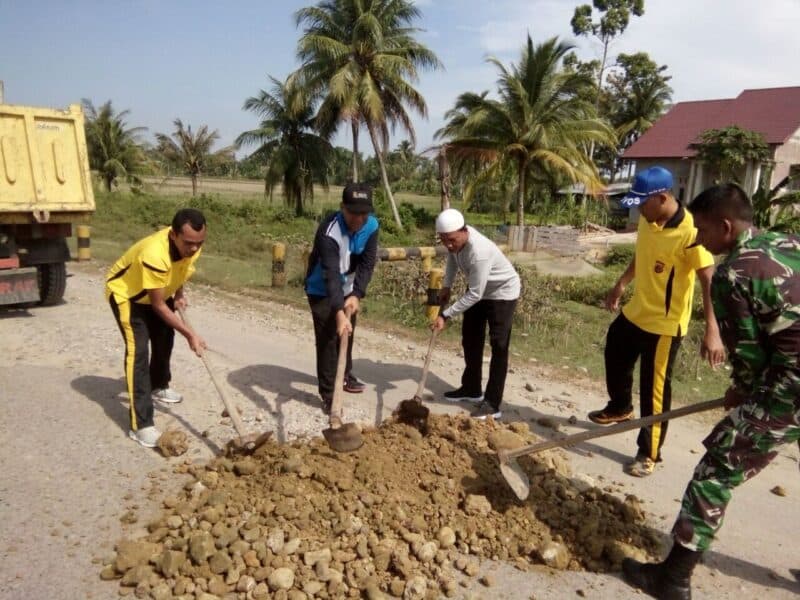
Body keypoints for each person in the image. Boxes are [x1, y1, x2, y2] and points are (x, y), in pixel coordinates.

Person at [622, 183, 800, 599]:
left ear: (725, 226)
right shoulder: (788, 242)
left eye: (701, 230)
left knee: (716, 471)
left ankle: (672, 580)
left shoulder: (733, 274)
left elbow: (750, 354)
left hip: (791, 387)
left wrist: (744, 389)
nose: (697, 239)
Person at [588, 166, 725, 477]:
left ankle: (648, 452)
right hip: (638, 311)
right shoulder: (649, 220)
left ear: (662, 198)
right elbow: (643, 253)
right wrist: (621, 284)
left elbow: (708, 279)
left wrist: (712, 330)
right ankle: (621, 407)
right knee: (615, 349)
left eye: (642, 203)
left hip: (665, 324)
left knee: (655, 390)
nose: (639, 210)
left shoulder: (691, 232)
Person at [106, 208, 207, 448]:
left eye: (199, 242)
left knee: (164, 337)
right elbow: (158, 305)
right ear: (173, 235)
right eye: (189, 243)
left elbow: (181, 268)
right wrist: (190, 334)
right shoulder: (155, 254)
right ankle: (140, 425)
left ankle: (159, 384)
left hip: (155, 293)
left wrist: (179, 293)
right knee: (138, 353)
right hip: (128, 296)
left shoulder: (192, 245)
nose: (194, 248)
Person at [432, 208, 521, 420]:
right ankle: (471, 388)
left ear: (464, 231)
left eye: (452, 240)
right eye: (444, 240)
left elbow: (474, 294)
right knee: (471, 339)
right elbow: (453, 258)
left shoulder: (479, 251)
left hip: (502, 293)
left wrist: (445, 315)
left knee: (499, 346)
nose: (449, 245)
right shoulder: (456, 242)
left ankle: (492, 403)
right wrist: (447, 285)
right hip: (480, 290)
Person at [305, 183, 379, 414]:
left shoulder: (372, 226)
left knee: (347, 332)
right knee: (328, 338)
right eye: (353, 213)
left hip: (348, 287)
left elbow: (367, 263)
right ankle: (329, 393)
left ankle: (344, 375)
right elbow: (330, 274)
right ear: (342, 208)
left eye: (364, 213)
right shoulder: (330, 232)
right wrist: (338, 312)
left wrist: (357, 294)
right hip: (321, 287)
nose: (359, 219)